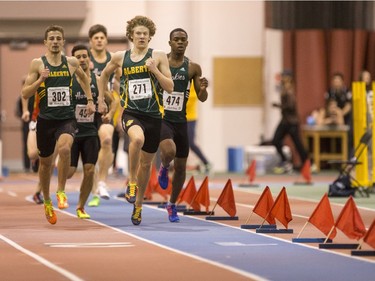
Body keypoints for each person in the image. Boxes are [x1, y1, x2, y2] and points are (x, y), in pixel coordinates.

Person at [98, 15, 173, 225]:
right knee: (136, 140)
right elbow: (103, 76)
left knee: (147, 164)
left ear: (150, 37)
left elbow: (170, 87)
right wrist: (101, 99)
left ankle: (138, 206)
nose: (141, 36)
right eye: (138, 33)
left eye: (145, 34)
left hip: (154, 116)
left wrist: (155, 70)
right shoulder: (120, 57)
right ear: (131, 35)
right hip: (131, 113)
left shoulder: (158, 56)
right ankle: (131, 181)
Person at [21, 25, 95, 224]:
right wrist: (40, 81)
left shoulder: (71, 62)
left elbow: (85, 79)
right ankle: (46, 201)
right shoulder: (37, 64)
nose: (54, 41)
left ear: (63, 42)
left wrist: (90, 100)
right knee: (44, 164)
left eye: (58, 38)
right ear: (45, 42)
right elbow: (25, 93)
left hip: (66, 119)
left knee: (64, 148)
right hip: (46, 120)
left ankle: (60, 191)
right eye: (51, 38)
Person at [158, 28, 208, 222]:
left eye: (183, 40)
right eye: (176, 40)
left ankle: (171, 205)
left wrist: (203, 89)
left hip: (181, 120)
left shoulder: (193, 68)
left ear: (187, 43)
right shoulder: (162, 63)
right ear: (169, 42)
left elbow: (202, 97)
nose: (179, 42)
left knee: (181, 168)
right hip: (163, 118)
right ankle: (163, 166)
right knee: (169, 151)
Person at [68, 44, 117, 219]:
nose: (81, 60)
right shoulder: (68, 80)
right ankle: (61, 158)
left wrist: (109, 114)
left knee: (89, 170)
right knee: (69, 173)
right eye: (78, 57)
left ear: (89, 60)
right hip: (71, 134)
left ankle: (81, 207)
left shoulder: (97, 80)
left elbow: (114, 101)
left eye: (84, 56)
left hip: (90, 133)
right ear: (73, 61)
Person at [87, 24, 121, 205]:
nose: (99, 40)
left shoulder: (113, 60)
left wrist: (120, 113)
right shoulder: (86, 59)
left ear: (106, 39)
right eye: (96, 38)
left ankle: (102, 181)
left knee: (107, 140)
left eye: (102, 37)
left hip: (107, 107)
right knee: (92, 149)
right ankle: (93, 192)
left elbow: (118, 89)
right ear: (91, 41)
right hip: (87, 108)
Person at [272, 70, 309, 174]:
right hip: (285, 121)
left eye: (284, 76)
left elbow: (290, 106)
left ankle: (307, 163)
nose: (283, 78)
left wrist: (279, 106)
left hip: (291, 122)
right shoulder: (284, 89)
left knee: (298, 144)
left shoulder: (289, 90)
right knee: (276, 140)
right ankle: (285, 161)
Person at [186, 82, 211, 173]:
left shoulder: (193, 83)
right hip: (179, 118)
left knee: (191, 143)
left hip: (190, 118)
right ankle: (175, 165)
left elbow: (192, 98)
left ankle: (206, 163)